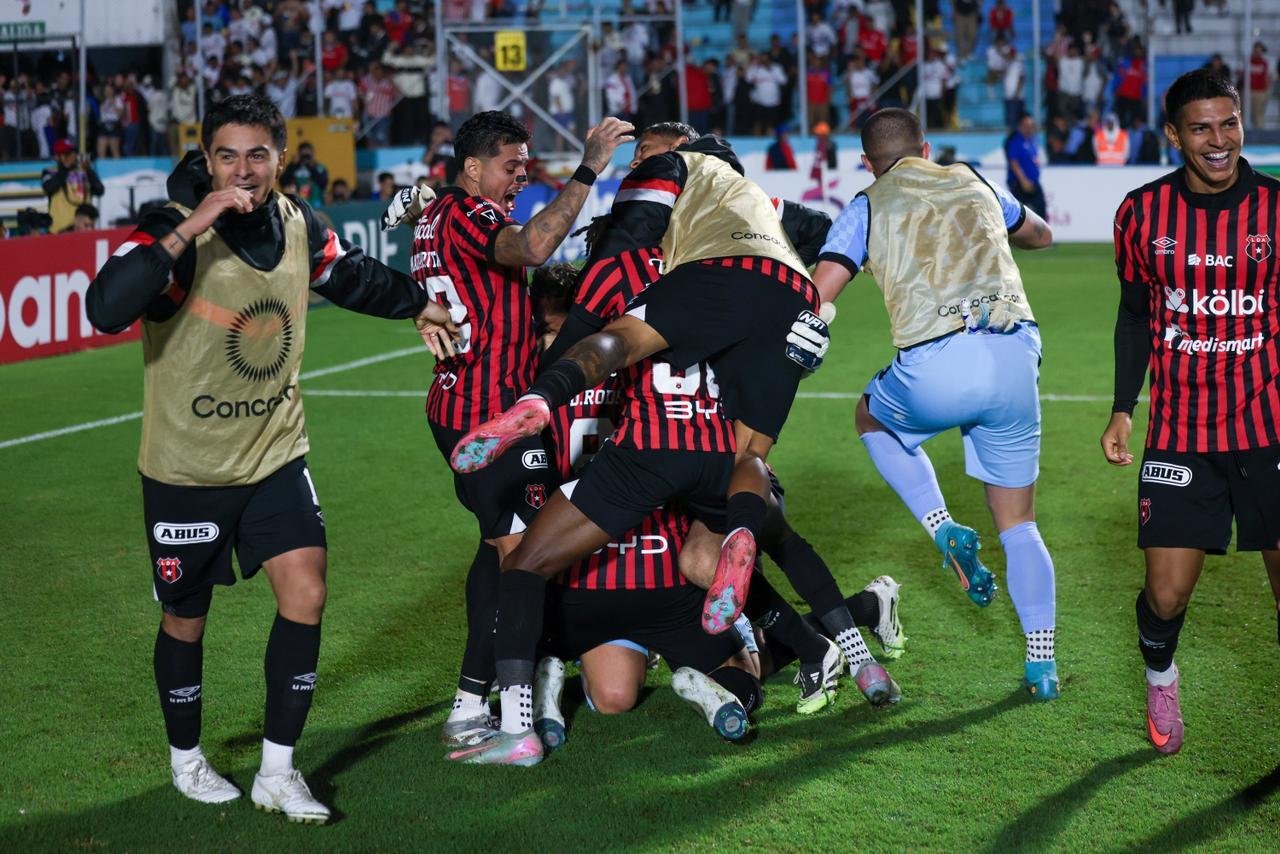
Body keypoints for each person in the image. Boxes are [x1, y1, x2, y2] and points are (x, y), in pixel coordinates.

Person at [443, 121, 899, 765]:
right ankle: (836, 639)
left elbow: (596, 312)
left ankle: (515, 719)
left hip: (644, 462)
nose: (640, 171)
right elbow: (843, 235)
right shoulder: (757, 208)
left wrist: (552, 379)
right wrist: (819, 311)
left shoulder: (645, 248)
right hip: (749, 386)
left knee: (527, 559)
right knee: (747, 489)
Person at [83, 93, 456, 823]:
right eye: (229, 155)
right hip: (187, 471)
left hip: (275, 456)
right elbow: (104, 307)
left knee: (306, 593)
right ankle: (187, 761)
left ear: (281, 157)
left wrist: (416, 301)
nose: (245, 170)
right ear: (206, 157)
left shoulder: (299, 223)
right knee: (186, 621)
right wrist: (194, 222)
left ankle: (277, 772)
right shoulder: (171, 232)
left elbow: (347, 277)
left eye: (259, 154)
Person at [378, 110, 634, 751]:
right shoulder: (468, 213)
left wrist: (416, 199)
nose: (521, 176)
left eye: (524, 165)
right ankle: (515, 720)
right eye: (510, 166)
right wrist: (590, 168)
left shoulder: (434, 215)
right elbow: (534, 246)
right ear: (472, 169)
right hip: (491, 417)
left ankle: (470, 702)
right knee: (524, 561)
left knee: (499, 551)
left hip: (457, 407)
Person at [811, 108, 1060, 700]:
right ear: (925, 148)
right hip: (1012, 356)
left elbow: (820, 288)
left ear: (867, 163)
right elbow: (1041, 233)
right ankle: (1041, 663)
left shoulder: (866, 204)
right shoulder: (973, 179)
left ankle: (943, 526)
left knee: (870, 414)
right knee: (1021, 526)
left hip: (933, 363)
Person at [1101, 69, 1280, 756]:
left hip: (1269, 425)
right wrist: (1123, 407)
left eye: (1229, 123)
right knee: (1167, 595)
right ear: (1174, 135)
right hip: (1181, 430)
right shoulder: (1142, 214)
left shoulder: (1274, 208)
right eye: (1201, 128)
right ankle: (1161, 677)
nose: (1219, 140)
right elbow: (1135, 313)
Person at [42, 140, 104, 234]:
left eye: (74, 153)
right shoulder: (50, 172)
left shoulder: (84, 172)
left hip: (84, 230)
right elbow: (49, 188)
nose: (72, 157)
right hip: (59, 232)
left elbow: (100, 190)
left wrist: (89, 171)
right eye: (67, 154)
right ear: (57, 157)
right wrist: (65, 168)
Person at [281, 142, 330, 206]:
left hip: (316, 205)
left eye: (308, 155)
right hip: (296, 205)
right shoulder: (293, 167)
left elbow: (323, 183)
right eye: (303, 155)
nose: (305, 157)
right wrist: (293, 165)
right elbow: (283, 182)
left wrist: (310, 166)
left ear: (313, 154)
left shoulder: (319, 168)